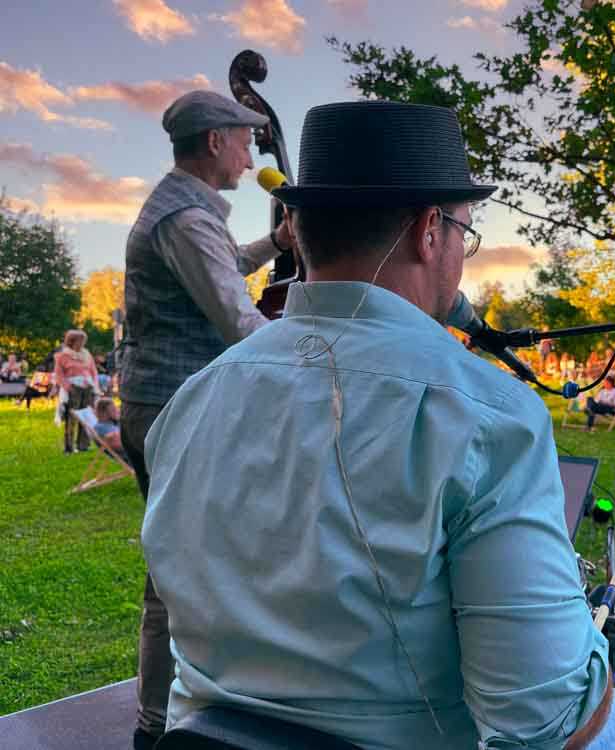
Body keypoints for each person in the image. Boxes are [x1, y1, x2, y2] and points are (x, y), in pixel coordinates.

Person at [141, 101, 615, 750]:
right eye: (463, 234)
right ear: (428, 232)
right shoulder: (490, 418)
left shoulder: (191, 401)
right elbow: (546, 721)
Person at [119, 90, 294, 750]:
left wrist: (271, 244)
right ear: (215, 141)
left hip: (159, 401)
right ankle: (157, 729)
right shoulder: (186, 220)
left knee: (175, 572)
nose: (252, 155)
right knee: (173, 579)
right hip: (170, 407)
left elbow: (216, 271)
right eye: (244, 140)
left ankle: (166, 716)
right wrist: (316, 347)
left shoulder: (186, 212)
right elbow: (239, 323)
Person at [53, 330, 101, 454]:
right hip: (73, 388)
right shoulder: (63, 356)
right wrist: (67, 386)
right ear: (72, 341)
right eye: (81, 341)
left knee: (86, 416)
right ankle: (69, 447)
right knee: (72, 417)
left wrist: (95, 385)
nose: (83, 343)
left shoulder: (87, 354)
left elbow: (94, 371)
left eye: (84, 341)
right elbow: (59, 374)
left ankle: (83, 445)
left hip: (88, 388)